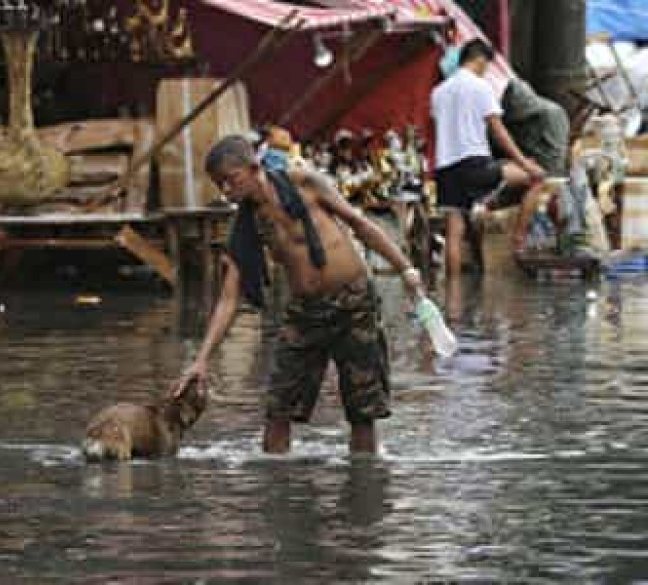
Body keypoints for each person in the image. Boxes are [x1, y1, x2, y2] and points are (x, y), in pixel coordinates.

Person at [172, 135, 423, 454]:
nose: (226, 191)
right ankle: (277, 480)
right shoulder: (246, 225)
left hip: (355, 302)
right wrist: (201, 360)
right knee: (278, 409)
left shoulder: (305, 184)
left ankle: (365, 478)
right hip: (306, 312)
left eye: (231, 180)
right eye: (219, 184)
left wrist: (406, 270)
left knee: (363, 412)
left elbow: (359, 224)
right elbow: (229, 298)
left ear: (254, 168)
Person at [431, 38, 546, 276]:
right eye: (487, 66)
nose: (486, 71)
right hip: (475, 164)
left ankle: (453, 293)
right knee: (536, 179)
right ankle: (518, 242)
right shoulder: (480, 86)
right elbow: (498, 131)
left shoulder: (438, 92)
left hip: (446, 169)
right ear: (480, 59)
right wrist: (525, 164)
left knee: (454, 233)